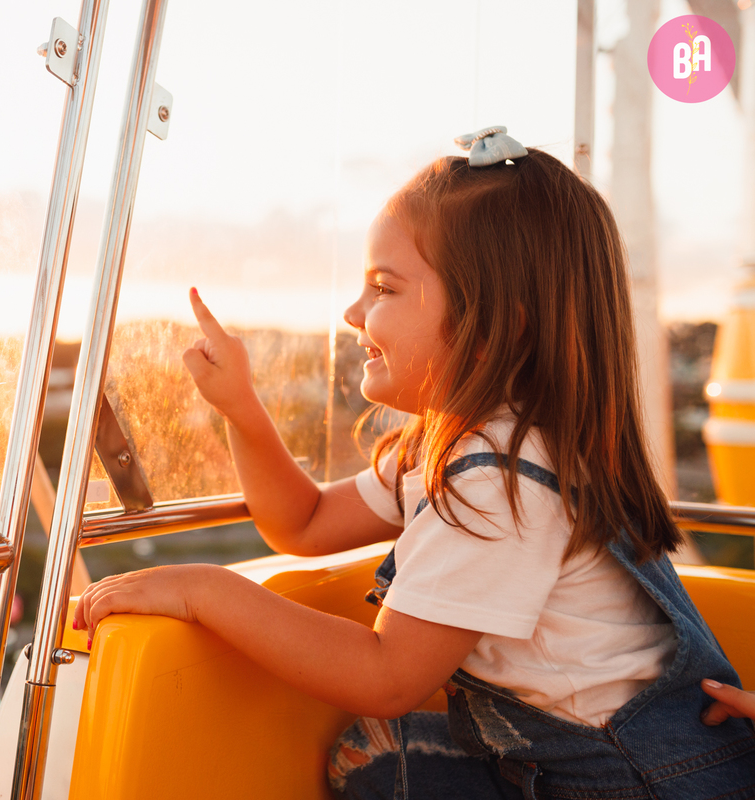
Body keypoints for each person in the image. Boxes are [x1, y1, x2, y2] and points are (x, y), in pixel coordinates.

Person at [72, 128, 755, 798]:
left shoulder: (500, 476)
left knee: (375, 748)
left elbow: (388, 676)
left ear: (494, 325)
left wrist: (208, 592)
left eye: (383, 289)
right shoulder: (454, 444)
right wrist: (244, 411)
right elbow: (304, 523)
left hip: (639, 782)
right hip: (559, 761)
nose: (351, 312)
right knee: (370, 756)